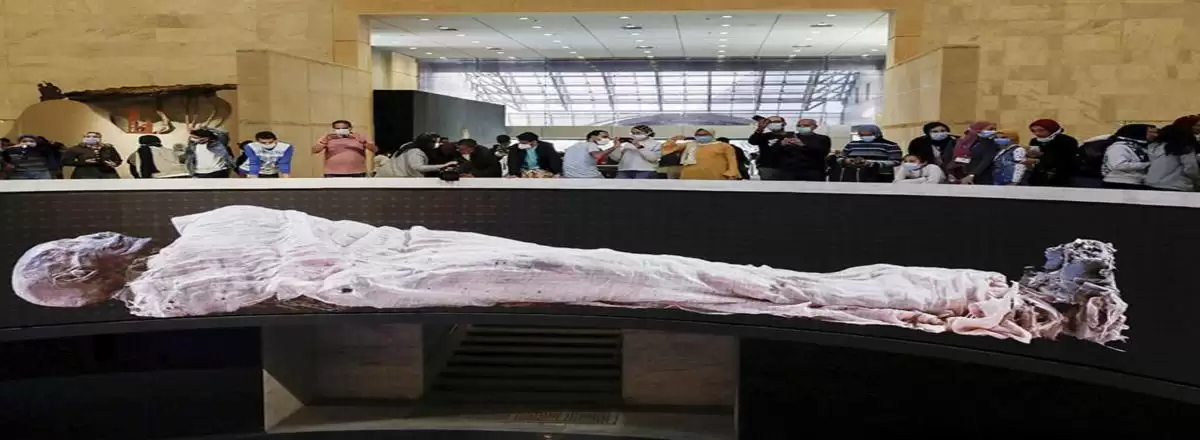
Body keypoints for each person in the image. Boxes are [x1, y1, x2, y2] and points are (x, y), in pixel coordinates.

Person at [12, 205, 1128, 346]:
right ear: (77, 289)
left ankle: (1004, 295)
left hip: (418, 255)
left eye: (57, 247)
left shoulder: (188, 230)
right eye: (57, 269)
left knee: (720, 273)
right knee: (710, 282)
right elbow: (308, 278)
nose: (70, 252)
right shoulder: (170, 287)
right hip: (417, 279)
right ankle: (1017, 305)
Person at [832, 124, 902, 183]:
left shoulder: (890, 145)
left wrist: (873, 164)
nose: (865, 137)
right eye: (862, 135)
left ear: (877, 134)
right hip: (854, 176)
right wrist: (846, 161)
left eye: (869, 135)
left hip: (881, 176)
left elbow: (896, 161)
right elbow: (840, 158)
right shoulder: (852, 144)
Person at [663, 129, 741, 180]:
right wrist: (674, 139)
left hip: (715, 177)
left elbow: (732, 161)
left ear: (712, 135)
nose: (701, 136)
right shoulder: (689, 144)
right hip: (689, 177)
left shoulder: (724, 146)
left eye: (705, 134)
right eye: (699, 135)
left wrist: (731, 174)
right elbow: (668, 148)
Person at [1144, 124, 1199, 191]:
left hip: (1151, 184)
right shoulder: (1184, 147)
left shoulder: (1154, 147)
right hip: (1177, 186)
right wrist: (1197, 181)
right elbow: (1190, 168)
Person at [1101, 124, 1157, 190]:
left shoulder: (1139, 147)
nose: (1155, 135)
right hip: (1118, 184)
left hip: (1135, 182)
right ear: (1139, 133)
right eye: (1151, 132)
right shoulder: (1118, 147)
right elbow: (1118, 165)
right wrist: (1148, 165)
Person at [375, 133, 456, 178]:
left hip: (388, 176)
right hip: (391, 177)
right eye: (433, 143)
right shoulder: (415, 152)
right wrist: (443, 166)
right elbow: (417, 167)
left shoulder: (408, 145)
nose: (437, 145)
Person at [1025, 119, 1078, 187]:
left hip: (1062, 177)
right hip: (1039, 176)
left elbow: (1064, 159)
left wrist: (1040, 158)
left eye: (1041, 130)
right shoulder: (1034, 141)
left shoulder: (1066, 140)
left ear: (1051, 129)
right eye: (1033, 131)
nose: (1037, 133)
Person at [747, 116, 790, 180]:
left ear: (784, 123)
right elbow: (752, 141)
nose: (773, 124)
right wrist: (760, 128)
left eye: (776, 122)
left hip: (789, 168)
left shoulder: (792, 136)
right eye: (770, 122)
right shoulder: (765, 136)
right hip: (767, 168)